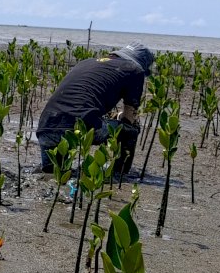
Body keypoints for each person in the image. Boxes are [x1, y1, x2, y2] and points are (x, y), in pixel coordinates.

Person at [35, 42, 156, 174]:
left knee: (54, 173)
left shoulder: (86, 62)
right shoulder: (135, 69)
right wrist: (122, 120)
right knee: (131, 130)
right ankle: (120, 174)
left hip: (45, 128)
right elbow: (129, 116)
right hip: (79, 127)